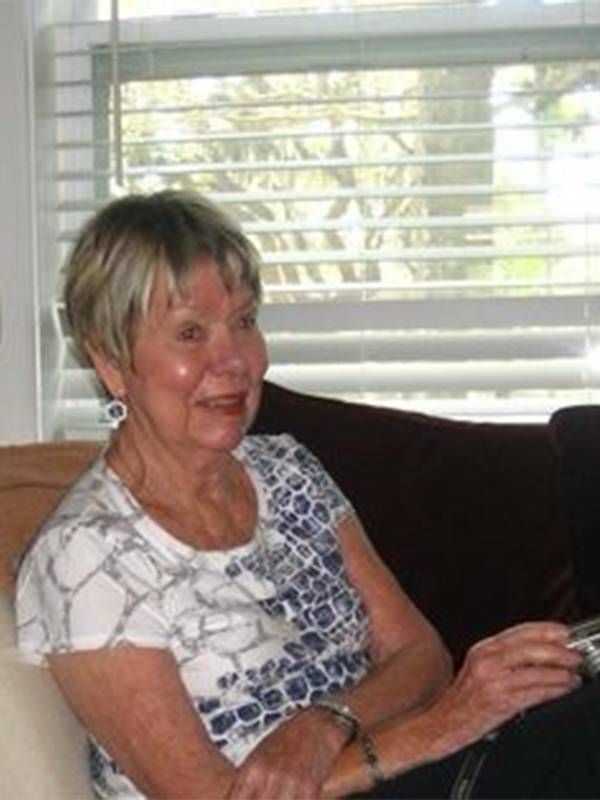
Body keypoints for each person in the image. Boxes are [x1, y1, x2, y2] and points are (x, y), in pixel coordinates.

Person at [14, 189, 597, 800]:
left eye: (243, 322)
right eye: (190, 333)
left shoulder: (287, 471)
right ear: (110, 364)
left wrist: (324, 724)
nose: (234, 360)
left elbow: (421, 655)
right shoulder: (86, 557)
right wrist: (443, 726)